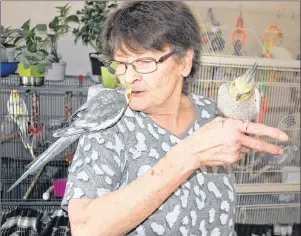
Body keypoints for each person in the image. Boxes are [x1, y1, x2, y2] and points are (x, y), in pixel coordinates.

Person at [61, 2, 288, 236]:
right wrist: (190, 154)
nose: (128, 77)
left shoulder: (214, 116)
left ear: (185, 61)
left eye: (144, 62)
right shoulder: (111, 122)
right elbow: (85, 228)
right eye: (121, 64)